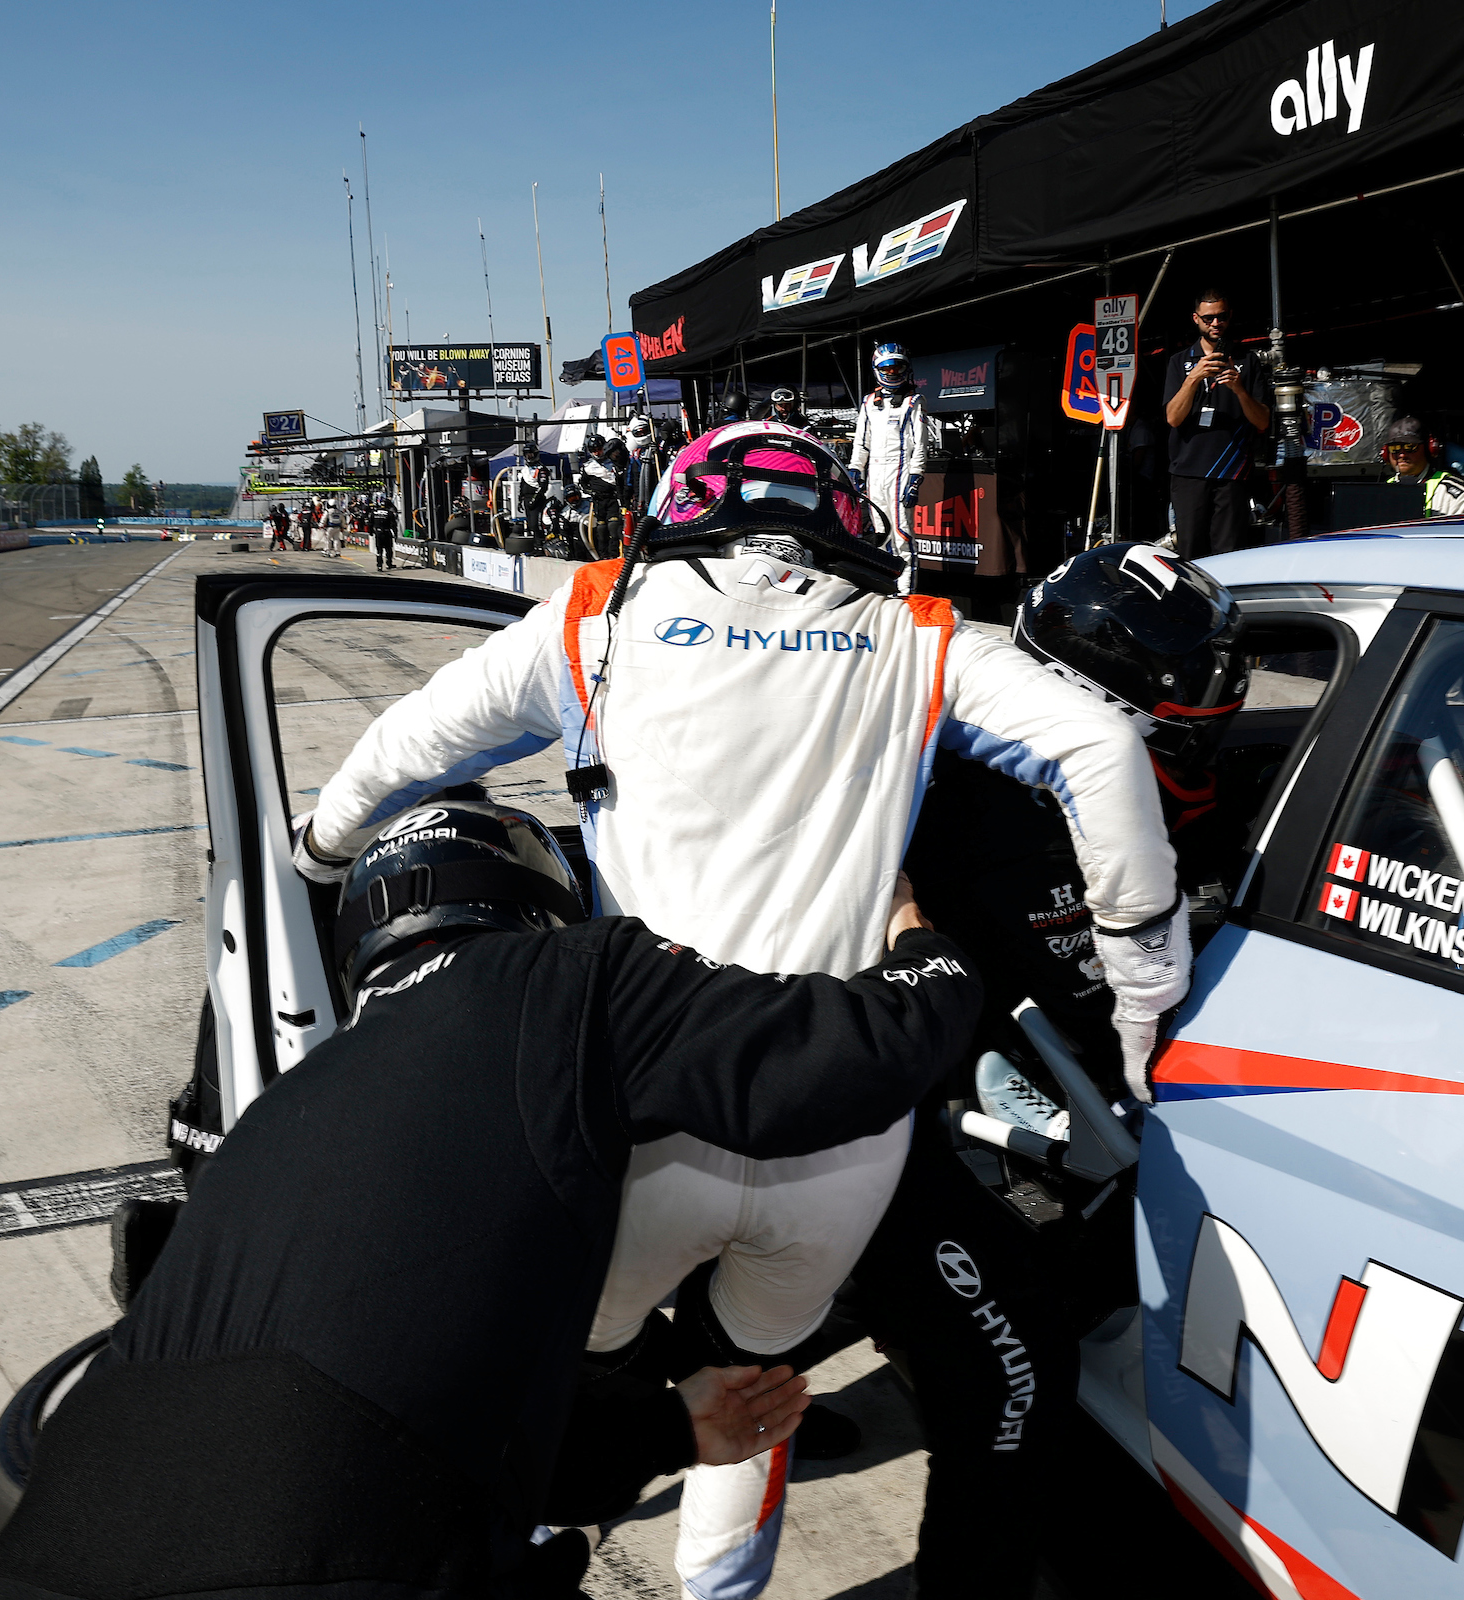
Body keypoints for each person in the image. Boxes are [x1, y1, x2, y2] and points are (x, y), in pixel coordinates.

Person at [294, 423, 1182, 1600]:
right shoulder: (916, 636)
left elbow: (399, 752)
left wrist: (317, 856)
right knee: (750, 1394)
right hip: (843, 1128)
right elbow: (1105, 742)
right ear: (851, 524)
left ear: (676, 508)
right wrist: (1144, 994)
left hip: (636, 1119)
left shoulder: (593, 616)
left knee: (553, 1392)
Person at [0, 798, 981, 1600]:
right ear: (535, 902)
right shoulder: (561, 976)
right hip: (348, 1556)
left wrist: (673, 1430)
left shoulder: (289, 1108)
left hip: (50, 1549)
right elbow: (847, 1058)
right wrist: (926, 954)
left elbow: (403, 1405)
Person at [857, 542, 1250, 1599]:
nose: (1215, 721)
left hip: (1101, 1110)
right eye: (1187, 711)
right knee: (1007, 1395)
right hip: (973, 1124)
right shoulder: (943, 806)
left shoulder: (1186, 795)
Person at [1161, 288, 1273, 559]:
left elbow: (1263, 421)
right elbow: (1173, 418)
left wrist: (1239, 390)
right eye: (1208, 318)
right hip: (1189, 471)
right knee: (1190, 552)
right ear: (1196, 319)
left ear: (1229, 316)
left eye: (1221, 317)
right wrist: (1193, 378)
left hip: (1232, 471)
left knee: (1229, 553)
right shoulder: (1180, 361)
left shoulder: (1247, 360)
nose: (1215, 323)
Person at [850, 344, 933, 590]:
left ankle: (907, 593)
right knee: (881, 534)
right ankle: (888, 587)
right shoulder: (868, 402)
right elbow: (860, 442)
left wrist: (916, 477)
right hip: (875, 473)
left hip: (900, 471)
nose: (892, 372)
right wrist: (856, 468)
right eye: (887, 368)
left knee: (902, 535)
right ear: (877, 369)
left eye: (897, 367)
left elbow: (920, 444)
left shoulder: (914, 401)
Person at [1381, 415, 1464, 518]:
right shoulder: (1380, 493)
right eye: (1394, 448)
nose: (1402, 455)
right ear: (1386, 453)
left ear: (1429, 450)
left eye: (1410, 447)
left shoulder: (1455, 496)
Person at [372, 496, 397, 571]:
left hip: (378, 533)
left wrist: (371, 532)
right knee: (388, 549)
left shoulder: (374, 512)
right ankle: (389, 564)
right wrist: (395, 534)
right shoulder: (389, 513)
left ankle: (379, 565)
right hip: (387, 533)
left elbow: (370, 523)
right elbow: (393, 525)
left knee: (379, 550)